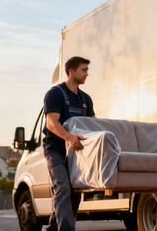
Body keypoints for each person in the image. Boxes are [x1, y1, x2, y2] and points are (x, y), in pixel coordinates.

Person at [42, 56, 95, 231]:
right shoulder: (55, 94)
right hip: (56, 150)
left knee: (73, 194)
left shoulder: (86, 99)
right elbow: (51, 123)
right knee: (63, 187)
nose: (87, 74)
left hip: (76, 152)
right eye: (84, 70)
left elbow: (93, 125)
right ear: (71, 71)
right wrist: (70, 137)